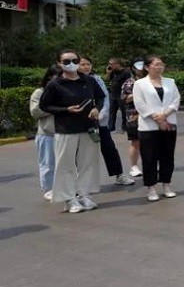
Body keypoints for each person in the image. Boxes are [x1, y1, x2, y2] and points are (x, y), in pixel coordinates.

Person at [39, 49, 106, 213]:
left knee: (88, 163)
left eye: (75, 61)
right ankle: (69, 198)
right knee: (65, 165)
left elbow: (100, 97)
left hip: (89, 128)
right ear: (59, 63)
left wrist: (96, 108)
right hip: (66, 129)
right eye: (66, 61)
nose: (72, 64)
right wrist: (65, 110)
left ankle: (85, 194)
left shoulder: (89, 80)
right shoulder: (55, 84)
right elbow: (45, 105)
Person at [79, 56, 134, 186]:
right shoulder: (71, 81)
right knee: (83, 153)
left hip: (98, 122)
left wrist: (102, 114)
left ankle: (119, 175)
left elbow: (104, 98)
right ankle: (81, 183)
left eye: (88, 64)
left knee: (109, 148)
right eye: (82, 64)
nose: (86, 67)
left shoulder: (96, 79)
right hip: (81, 124)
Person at [132, 55, 180, 202]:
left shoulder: (170, 82)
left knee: (167, 156)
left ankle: (166, 185)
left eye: (161, 64)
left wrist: (164, 115)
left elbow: (176, 100)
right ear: (147, 67)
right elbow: (139, 104)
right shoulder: (140, 84)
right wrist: (156, 118)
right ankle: (151, 188)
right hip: (148, 126)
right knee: (149, 157)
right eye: (156, 64)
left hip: (168, 123)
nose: (160, 67)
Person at [29, 65, 61, 201]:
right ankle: (48, 189)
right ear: (50, 77)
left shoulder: (67, 90)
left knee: (67, 164)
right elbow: (35, 111)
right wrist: (56, 107)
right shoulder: (39, 92)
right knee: (48, 164)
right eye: (59, 76)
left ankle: (65, 188)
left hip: (66, 133)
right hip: (47, 134)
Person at [121, 60, 144, 178]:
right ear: (133, 69)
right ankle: (134, 166)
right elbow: (125, 99)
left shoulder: (151, 81)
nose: (141, 69)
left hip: (150, 115)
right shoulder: (130, 82)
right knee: (136, 141)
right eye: (138, 66)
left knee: (151, 141)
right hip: (134, 115)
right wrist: (138, 92)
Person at [106, 57, 132, 132]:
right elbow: (107, 79)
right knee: (112, 111)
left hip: (121, 94)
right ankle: (111, 127)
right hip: (113, 94)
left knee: (124, 111)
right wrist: (108, 73)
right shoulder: (112, 71)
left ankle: (125, 127)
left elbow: (128, 83)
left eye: (111, 64)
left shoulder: (126, 72)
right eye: (109, 64)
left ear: (117, 64)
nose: (109, 66)